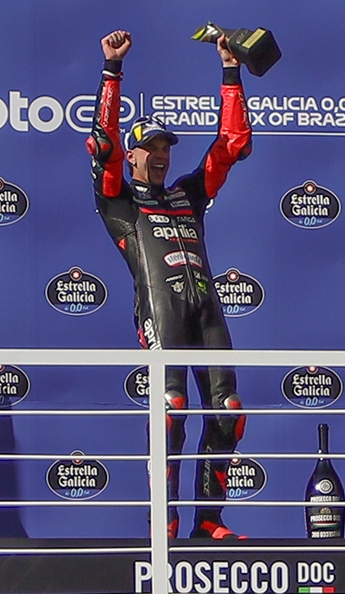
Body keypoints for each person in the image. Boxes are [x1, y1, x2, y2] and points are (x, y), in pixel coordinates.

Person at [86, 30, 252, 540]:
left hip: (206, 310)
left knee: (229, 412)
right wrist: (112, 70)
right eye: (150, 148)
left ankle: (209, 522)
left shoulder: (188, 194)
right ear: (133, 157)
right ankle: (164, 526)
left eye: (165, 148)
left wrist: (231, 71)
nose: (160, 155)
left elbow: (232, 145)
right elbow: (103, 145)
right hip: (161, 312)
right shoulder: (120, 202)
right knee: (170, 410)